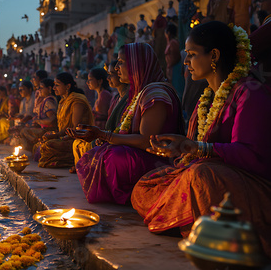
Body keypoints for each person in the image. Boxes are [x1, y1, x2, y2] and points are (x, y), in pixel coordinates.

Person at [131, 21, 271, 256]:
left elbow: (253, 156)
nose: (185, 62)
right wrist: (180, 147)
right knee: (146, 184)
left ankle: (207, 225)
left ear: (214, 55)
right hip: (209, 171)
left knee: (201, 176)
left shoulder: (249, 92)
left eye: (192, 54)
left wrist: (199, 148)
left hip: (249, 184)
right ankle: (195, 219)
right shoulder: (205, 99)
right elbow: (194, 148)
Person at [68, 42, 184, 204]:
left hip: (159, 159)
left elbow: (146, 141)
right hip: (139, 152)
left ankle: (129, 195)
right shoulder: (140, 92)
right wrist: (103, 137)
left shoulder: (156, 92)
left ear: (137, 65)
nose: (116, 68)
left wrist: (104, 134)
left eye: (121, 62)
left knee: (112, 157)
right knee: (100, 150)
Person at [34, 72, 94, 168]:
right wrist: (54, 135)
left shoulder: (77, 101)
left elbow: (76, 129)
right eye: (54, 85)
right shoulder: (63, 101)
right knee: (38, 145)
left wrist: (57, 136)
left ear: (68, 86)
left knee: (47, 146)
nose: (54, 88)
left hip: (78, 141)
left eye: (57, 85)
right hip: (66, 137)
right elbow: (64, 127)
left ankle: (74, 160)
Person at [20, 78, 58, 151]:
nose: (39, 90)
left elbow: (52, 120)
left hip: (48, 130)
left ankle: (32, 147)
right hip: (44, 128)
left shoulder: (49, 101)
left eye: (41, 88)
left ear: (49, 89)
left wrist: (38, 121)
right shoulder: (46, 100)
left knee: (24, 131)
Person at [164, 23, 184, 98]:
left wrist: (170, 65)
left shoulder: (173, 42)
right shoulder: (170, 42)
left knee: (177, 90)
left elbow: (176, 57)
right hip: (172, 68)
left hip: (175, 69)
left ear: (168, 33)